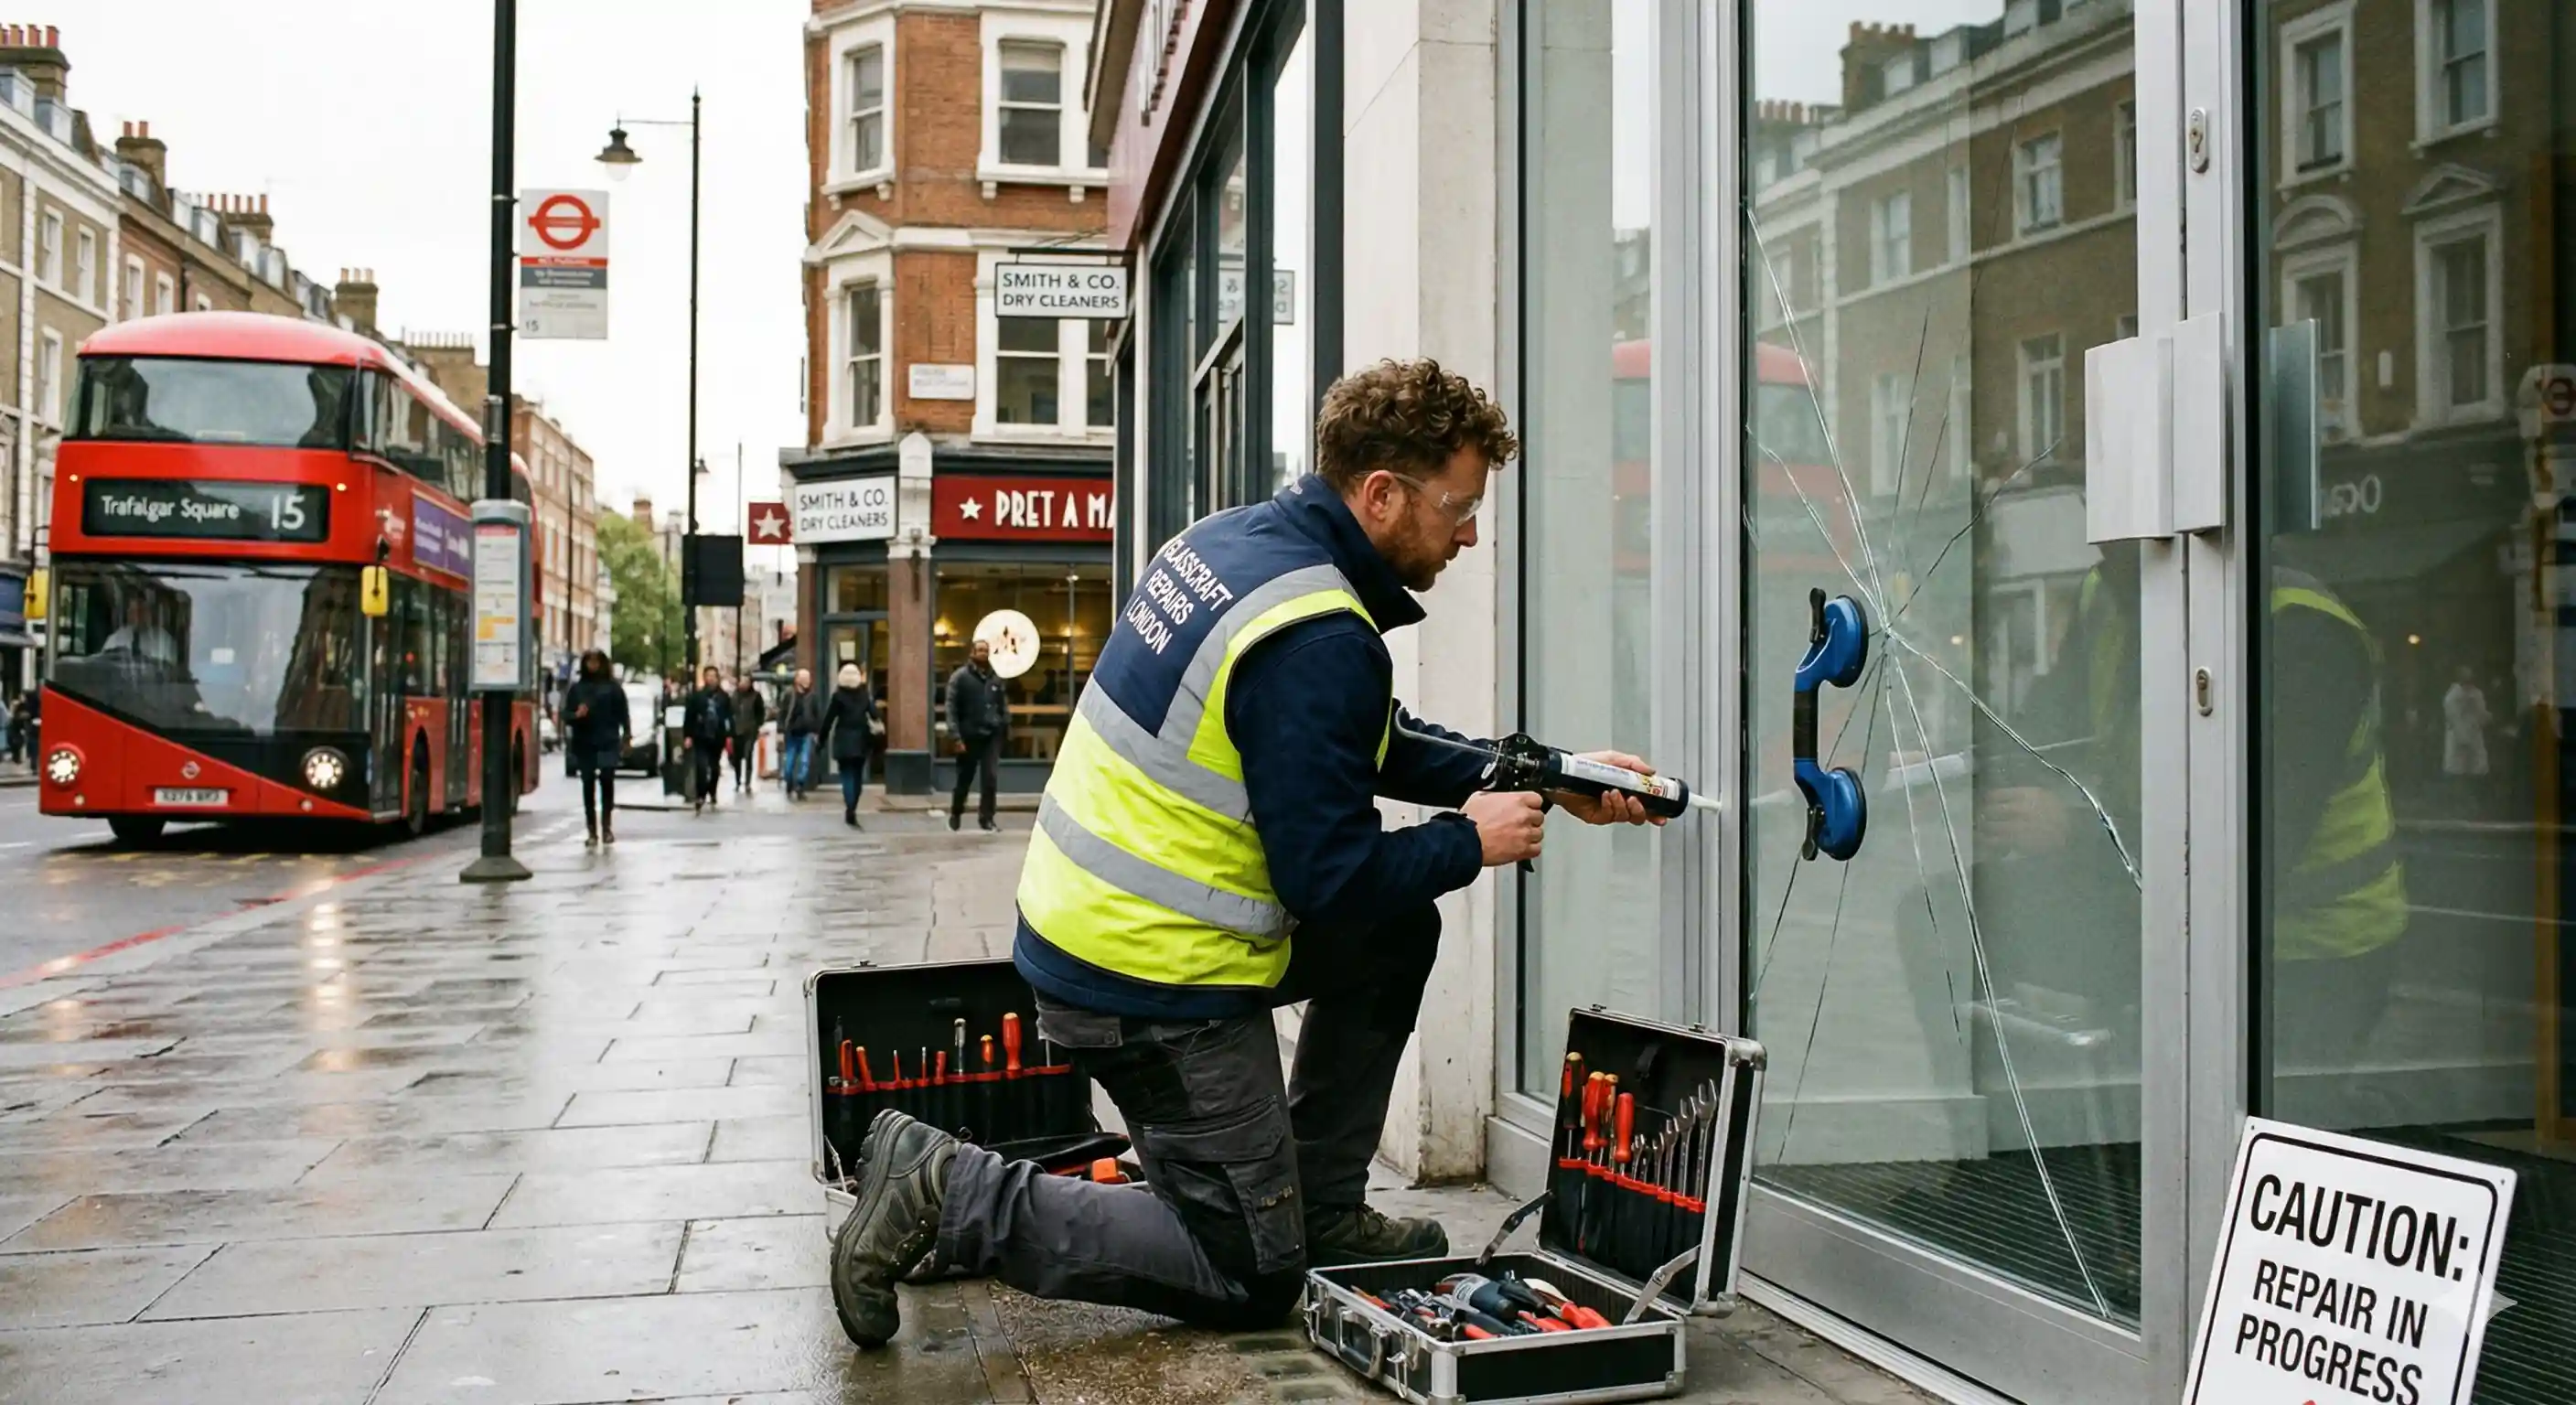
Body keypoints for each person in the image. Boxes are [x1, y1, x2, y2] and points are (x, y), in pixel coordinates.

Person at [827, 359, 1663, 1347]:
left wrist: (1543, 770)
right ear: (1381, 495)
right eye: (1458, 506)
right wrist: (1465, 841)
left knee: (1395, 934)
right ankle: (951, 1188)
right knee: (1242, 1272)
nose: (1470, 533)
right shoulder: (1316, 637)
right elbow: (1330, 879)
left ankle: (1317, 1209)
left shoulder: (1236, 547)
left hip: (1103, 931)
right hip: (1149, 979)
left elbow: (1373, 742)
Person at [561, 649, 630, 846]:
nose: (592, 665)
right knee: (588, 783)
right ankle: (592, 830)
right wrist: (577, 716)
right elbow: (566, 715)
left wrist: (626, 736)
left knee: (607, 780)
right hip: (585, 741)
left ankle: (606, 827)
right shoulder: (577, 689)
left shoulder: (613, 688)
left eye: (596, 661)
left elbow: (623, 713)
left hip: (608, 740)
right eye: (589, 661)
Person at [945, 638, 1008, 831]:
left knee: (990, 778)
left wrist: (1003, 722)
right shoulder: (960, 677)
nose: (982, 653)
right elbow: (951, 707)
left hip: (991, 735)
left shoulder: (995, 678)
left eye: (985, 650)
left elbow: (1002, 704)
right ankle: (956, 813)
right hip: (968, 736)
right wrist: (956, 736)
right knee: (964, 778)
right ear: (972, 652)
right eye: (979, 650)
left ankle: (987, 818)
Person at [817, 663, 881, 829]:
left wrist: (821, 741)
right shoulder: (864, 695)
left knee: (846, 776)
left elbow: (828, 720)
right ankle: (853, 806)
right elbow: (875, 714)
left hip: (843, 739)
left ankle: (850, 806)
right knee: (858, 776)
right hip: (861, 739)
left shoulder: (838, 696)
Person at [682, 665, 734, 814]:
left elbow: (729, 717)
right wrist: (688, 735)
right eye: (708, 676)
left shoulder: (724, 697)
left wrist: (730, 735)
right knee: (701, 766)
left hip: (717, 736)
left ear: (717, 678)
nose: (710, 678)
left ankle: (713, 790)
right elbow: (689, 717)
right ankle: (700, 795)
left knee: (715, 767)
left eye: (713, 676)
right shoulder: (697, 696)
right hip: (701, 736)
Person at [781, 668, 825, 800]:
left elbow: (817, 716)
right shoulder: (789, 694)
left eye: (808, 678)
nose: (807, 680)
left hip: (807, 733)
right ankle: (789, 782)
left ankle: (800, 785)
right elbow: (782, 713)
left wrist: (817, 732)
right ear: (797, 679)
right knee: (789, 763)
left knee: (805, 762)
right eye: (804, 678)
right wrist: (780, 730)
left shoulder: (813, 696)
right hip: (792, 733)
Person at [730, 674, 768, 792]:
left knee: (748, 755)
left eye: (746, 682)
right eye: (742, 681)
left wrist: (757, 724)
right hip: (736, 730)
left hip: (750, 730)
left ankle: (747, 782)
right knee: (737, 757)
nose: (743, 684)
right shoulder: (734, 696)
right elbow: (730, 711)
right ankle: (737, 781)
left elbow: (760, 712)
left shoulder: (756, 696)